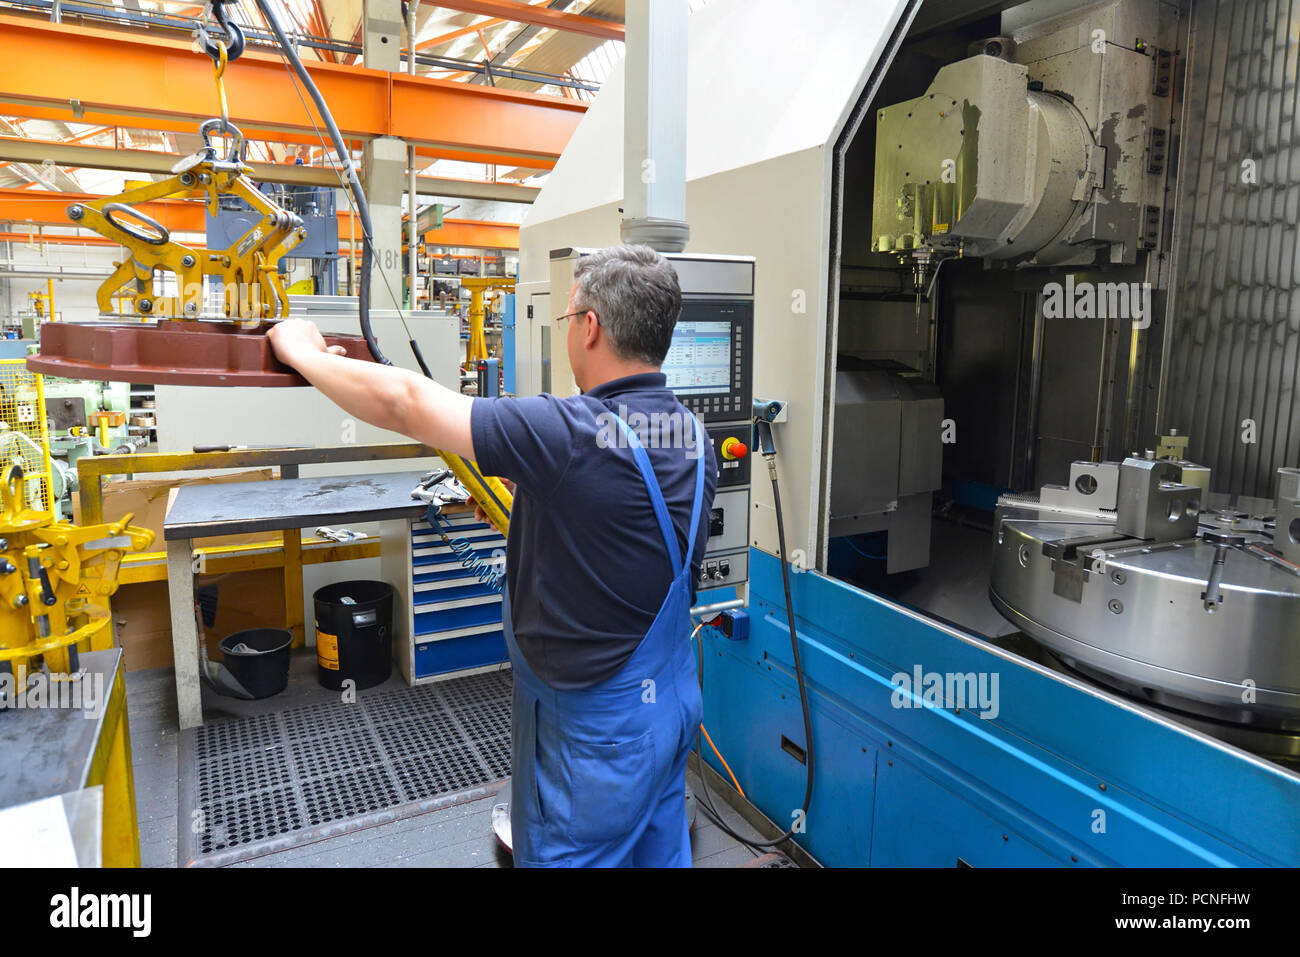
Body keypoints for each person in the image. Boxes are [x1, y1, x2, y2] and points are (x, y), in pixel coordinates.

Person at [268, 243, 718, 867]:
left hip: (595, 738)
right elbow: (623, 523)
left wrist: (301, 351)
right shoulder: (693, 433)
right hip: (669, 707)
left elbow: (406, 403)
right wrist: (539, 505)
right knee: (656, 857)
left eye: (567, 318)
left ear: (590, 327)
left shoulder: (570, 432)